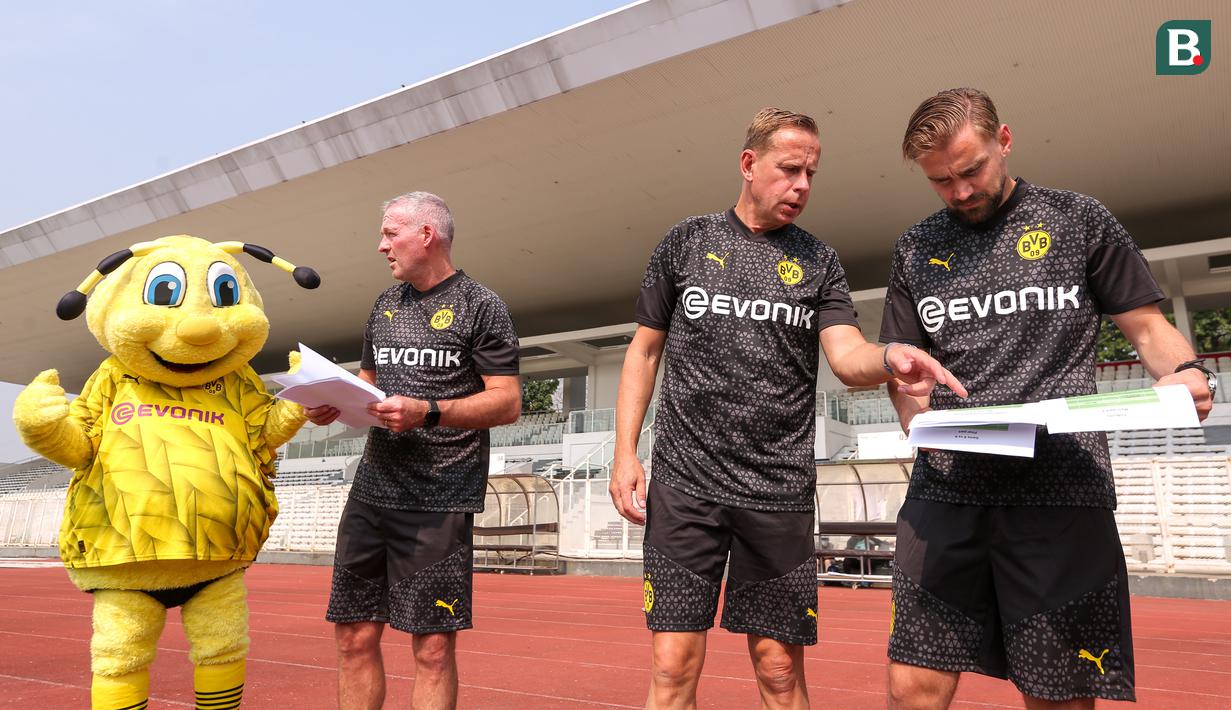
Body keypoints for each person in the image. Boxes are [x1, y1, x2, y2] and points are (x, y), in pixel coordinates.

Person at [610, 107, 966, 710]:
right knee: (673, 667)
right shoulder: (686, 243)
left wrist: (891, 356)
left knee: (778, 670)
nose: (802, 186)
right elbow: (643, 353)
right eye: (790, 169)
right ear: (749, 165)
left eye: (811, 173)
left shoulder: (819, 261)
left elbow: (847, 355)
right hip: (686, 488)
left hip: (778, 493)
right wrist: (624, 453)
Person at [880, 88, 1216, 710]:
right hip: (947, 492)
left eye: (971, 169)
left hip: (1060, 489)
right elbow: (905, 372)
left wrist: (1189, 369)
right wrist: (910, 407)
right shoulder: (913, 248)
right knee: (912, 688)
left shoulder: (1076, 218)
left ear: (1004, 140)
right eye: (940, 181)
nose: (959, 191)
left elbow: (1146, 327)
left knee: (1058, 694)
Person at [312, 191, 521, 710]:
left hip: (440, 500)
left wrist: (428, 410)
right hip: (372, 494)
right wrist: (335, 403)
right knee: (354, 636)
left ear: (426, 235)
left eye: (390, 233)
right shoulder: (384, 305)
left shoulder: (481, 305)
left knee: (430, 649)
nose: (380, 245)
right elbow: (368, 384)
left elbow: (507, 402)